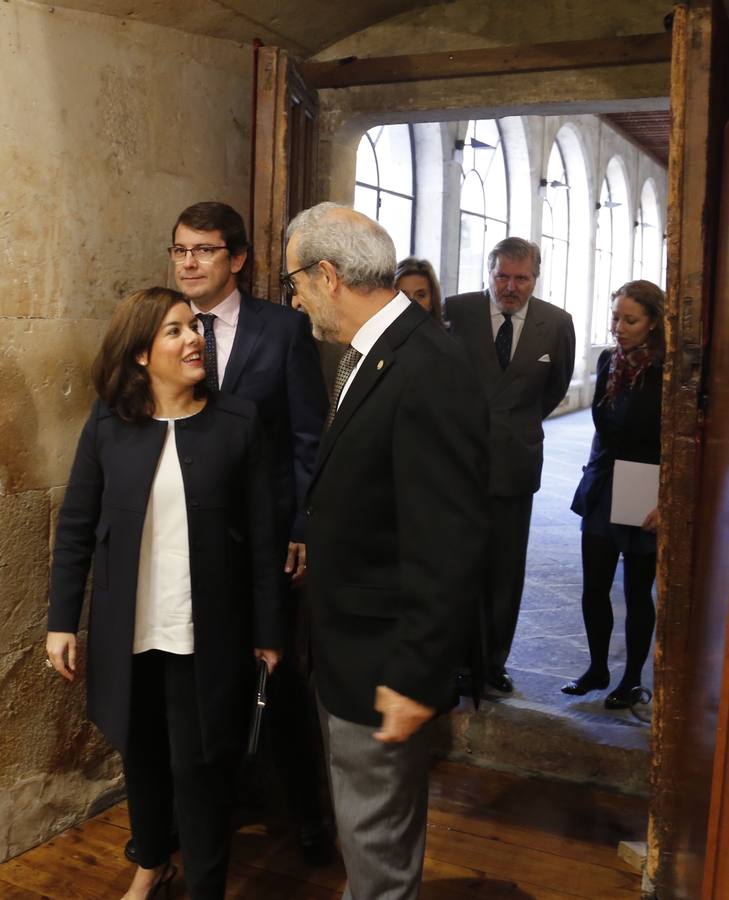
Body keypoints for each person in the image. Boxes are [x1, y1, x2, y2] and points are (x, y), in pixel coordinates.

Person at [46, 288, 284, 899]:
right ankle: (151, 862)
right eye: (175, 331)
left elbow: (262, 538)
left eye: (193, 328)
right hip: (129, 627)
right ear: (142, 354)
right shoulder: (108, 421)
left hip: (204, 631)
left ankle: (206, 887)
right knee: (141, 755)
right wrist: (61, 620)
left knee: (199, 768)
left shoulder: (237, 420)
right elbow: (76, 525)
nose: (193, 339)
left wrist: (268, 633)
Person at [284, 202, 489, 900]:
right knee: (371, 838)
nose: (296, 298)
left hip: (383, 658)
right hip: (351, 645)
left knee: (376, 842)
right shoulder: (375, 351)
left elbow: (449, 539)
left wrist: (413, 674)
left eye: (296, 282)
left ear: (328, 274)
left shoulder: (425, 363)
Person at [168, 202, 333, 863]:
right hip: (186, 538)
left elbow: (307, 436)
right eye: (180, 249)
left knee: (279, 676)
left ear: (236, 258)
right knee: (192, 679)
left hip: (264, 540)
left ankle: (308, 816)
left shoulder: (282, 329)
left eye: (204, 250)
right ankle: (203, 812)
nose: (188, 262)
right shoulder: (163, 323)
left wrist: (301, 525)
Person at [445, 238, 576, 694]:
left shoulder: (556, 324)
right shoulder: (456, 312)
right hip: (459, 463)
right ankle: (458, 658)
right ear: (489, 272)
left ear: (535, 278)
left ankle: (493, 663)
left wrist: (515, 426)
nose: (511, 287)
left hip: (515, 465)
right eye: (502, 276)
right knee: (458, 564)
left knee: (505, 569)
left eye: (521, 278)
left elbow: (555, 388)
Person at [562, 280, 664, 709]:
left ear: (653, 323)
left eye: (630, 320)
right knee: (594, 585)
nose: (619, 327)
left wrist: (667, 500)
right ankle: (597, 668)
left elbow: (675, 442)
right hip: (605, 480)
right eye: (615, 318)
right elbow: (603, 427)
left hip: (645, 482)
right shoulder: (609, 361)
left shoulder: (667, 369)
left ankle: (631, 680)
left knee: (638, 591)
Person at [395, 256, 443, 324]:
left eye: (420, 295)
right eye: (403, 295)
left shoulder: (442, 334)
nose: (411, 303)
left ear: (432, 302)